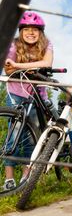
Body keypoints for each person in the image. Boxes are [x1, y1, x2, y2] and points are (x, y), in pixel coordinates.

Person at [3, 11, 53, 190]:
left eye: (35, 30)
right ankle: (9, 178)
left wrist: (18, 66)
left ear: (41, 32)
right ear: (21, 31)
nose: (31, 33)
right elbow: (8, 69)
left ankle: (26, 176)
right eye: (27, 29)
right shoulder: (13, 45)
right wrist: (24, 68)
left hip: (38, 95)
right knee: (14, 134)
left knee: (33, 139)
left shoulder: (47, 45)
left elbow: (46, 64)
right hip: (16, 93)